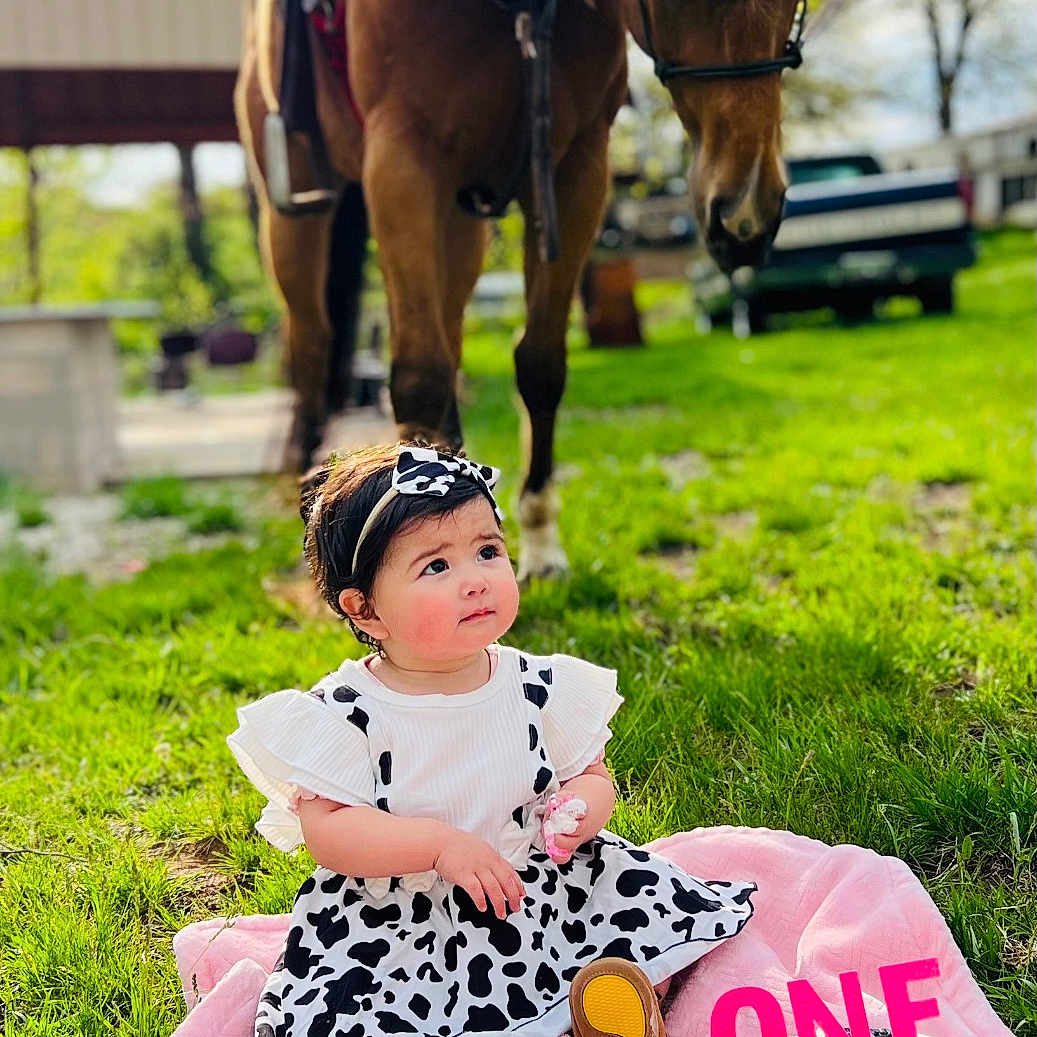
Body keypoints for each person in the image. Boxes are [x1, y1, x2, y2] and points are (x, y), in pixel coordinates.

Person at [227, 443, 756, 1037]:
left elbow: (593, 773)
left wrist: (580, 810)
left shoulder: (537, 686)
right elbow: (330, 831)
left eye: (487, 551)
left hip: (544, 894)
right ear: (366, 610)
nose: (476, 581)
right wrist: (436, 846)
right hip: (408, 921)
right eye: (436, 567)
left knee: (640, 928)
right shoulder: (350, 714)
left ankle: (618, 1004)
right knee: (379, 1014)